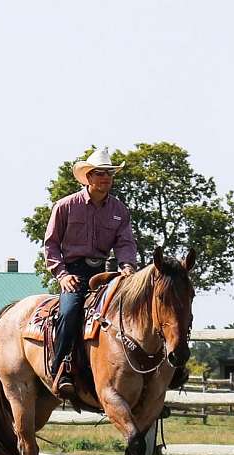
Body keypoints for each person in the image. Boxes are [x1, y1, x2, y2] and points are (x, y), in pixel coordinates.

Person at [44, 147, 138, 398]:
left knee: (135, 310)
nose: (105, 178)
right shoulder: (65, 206)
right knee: (70, 311)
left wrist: (127, 265)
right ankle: (62, 367)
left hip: (106, 271)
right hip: (73, 271)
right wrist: (62, 275)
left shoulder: (119, 210)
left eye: (109, 174)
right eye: (99, 173)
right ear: (88, 177)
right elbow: (51, 244)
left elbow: (125, 243)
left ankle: (145, 374)